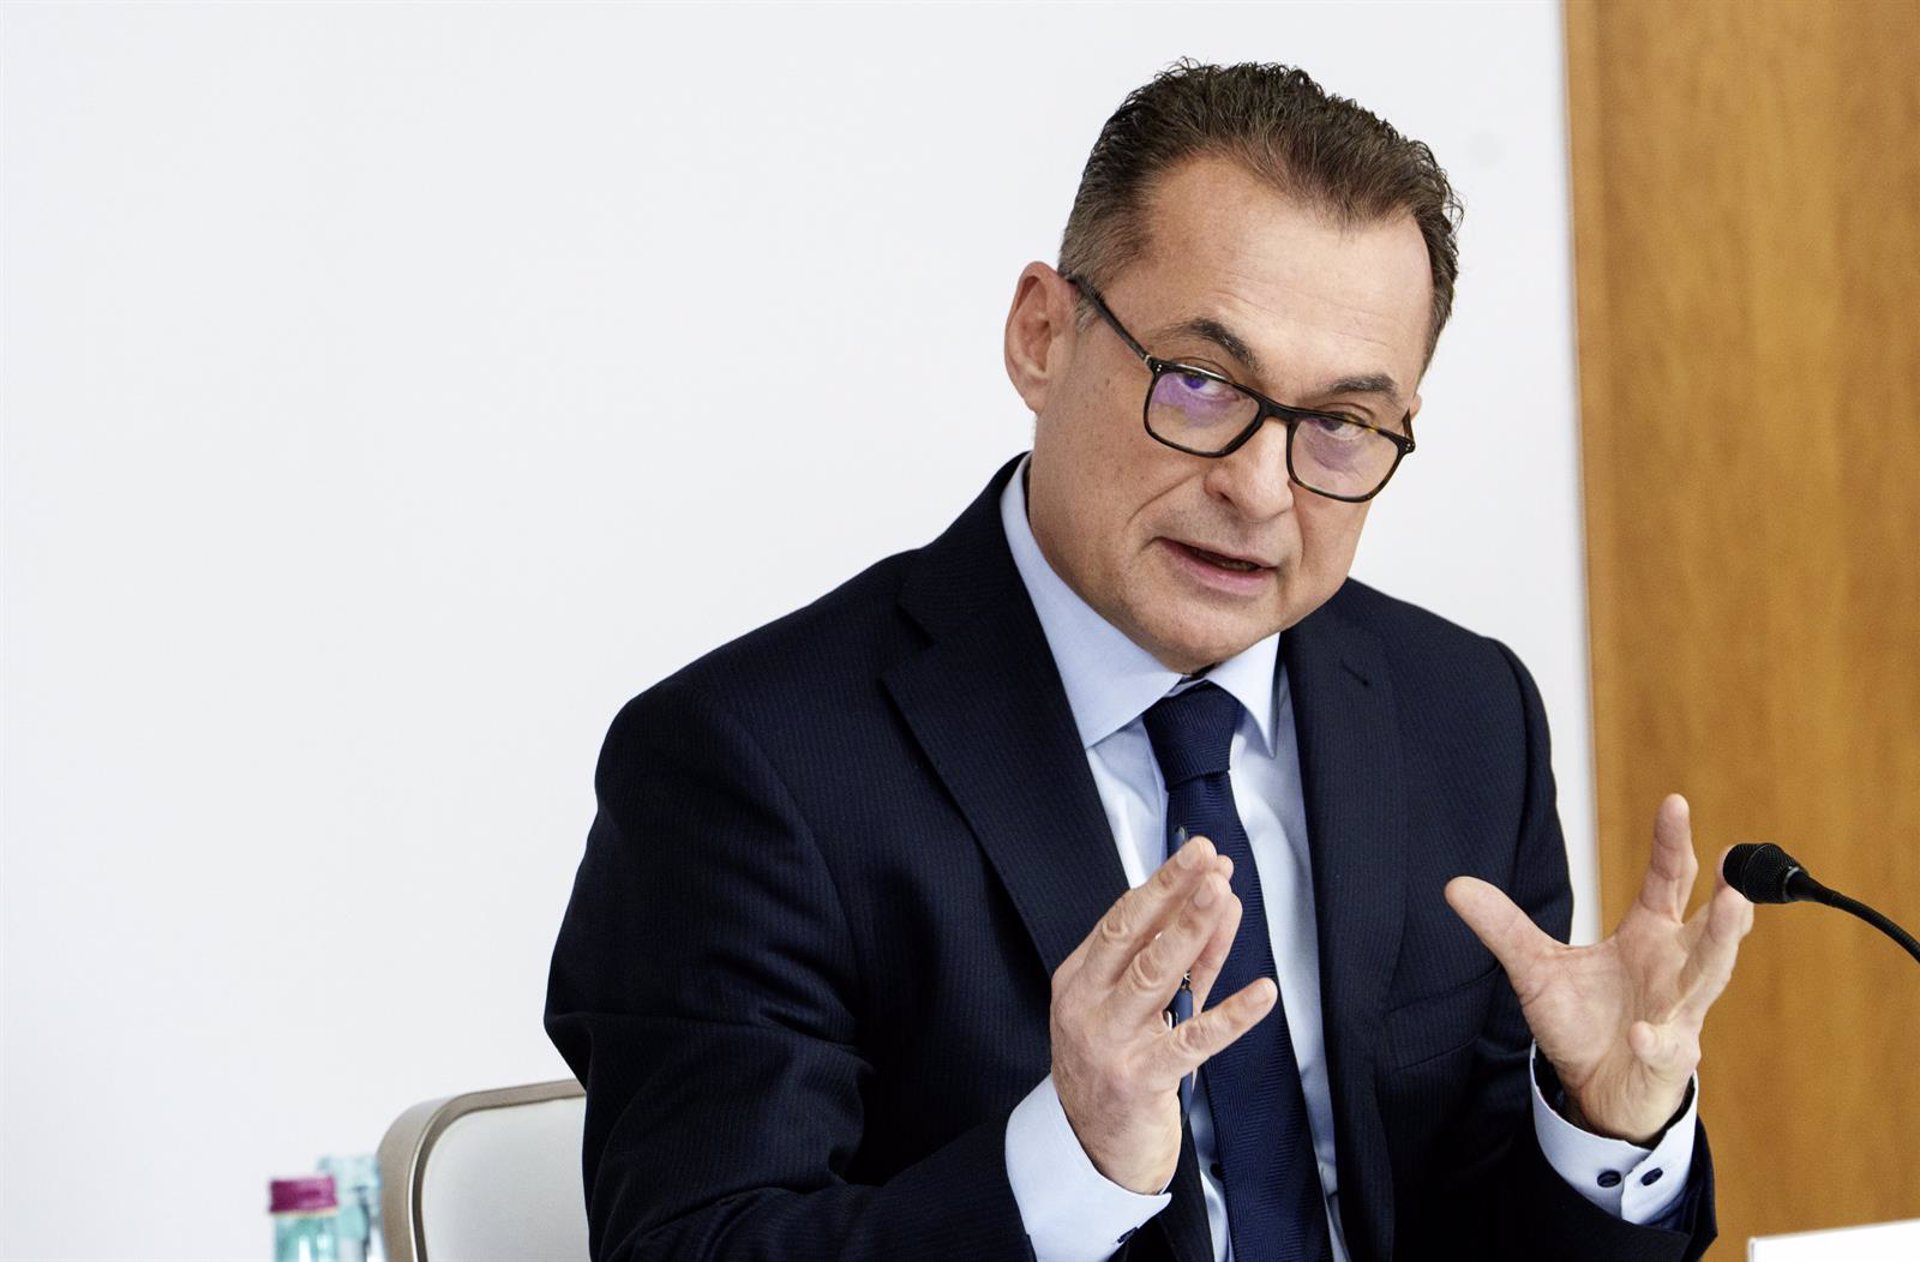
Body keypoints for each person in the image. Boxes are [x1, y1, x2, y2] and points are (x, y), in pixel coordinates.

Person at [545, 61, 1752, 1262]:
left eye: (1339, 424)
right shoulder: (753, 763)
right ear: (1042, 336)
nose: (1259, 489)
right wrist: (1066, 1163)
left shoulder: (1464, 714)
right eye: (1202, 382)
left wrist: (1602, 1128)